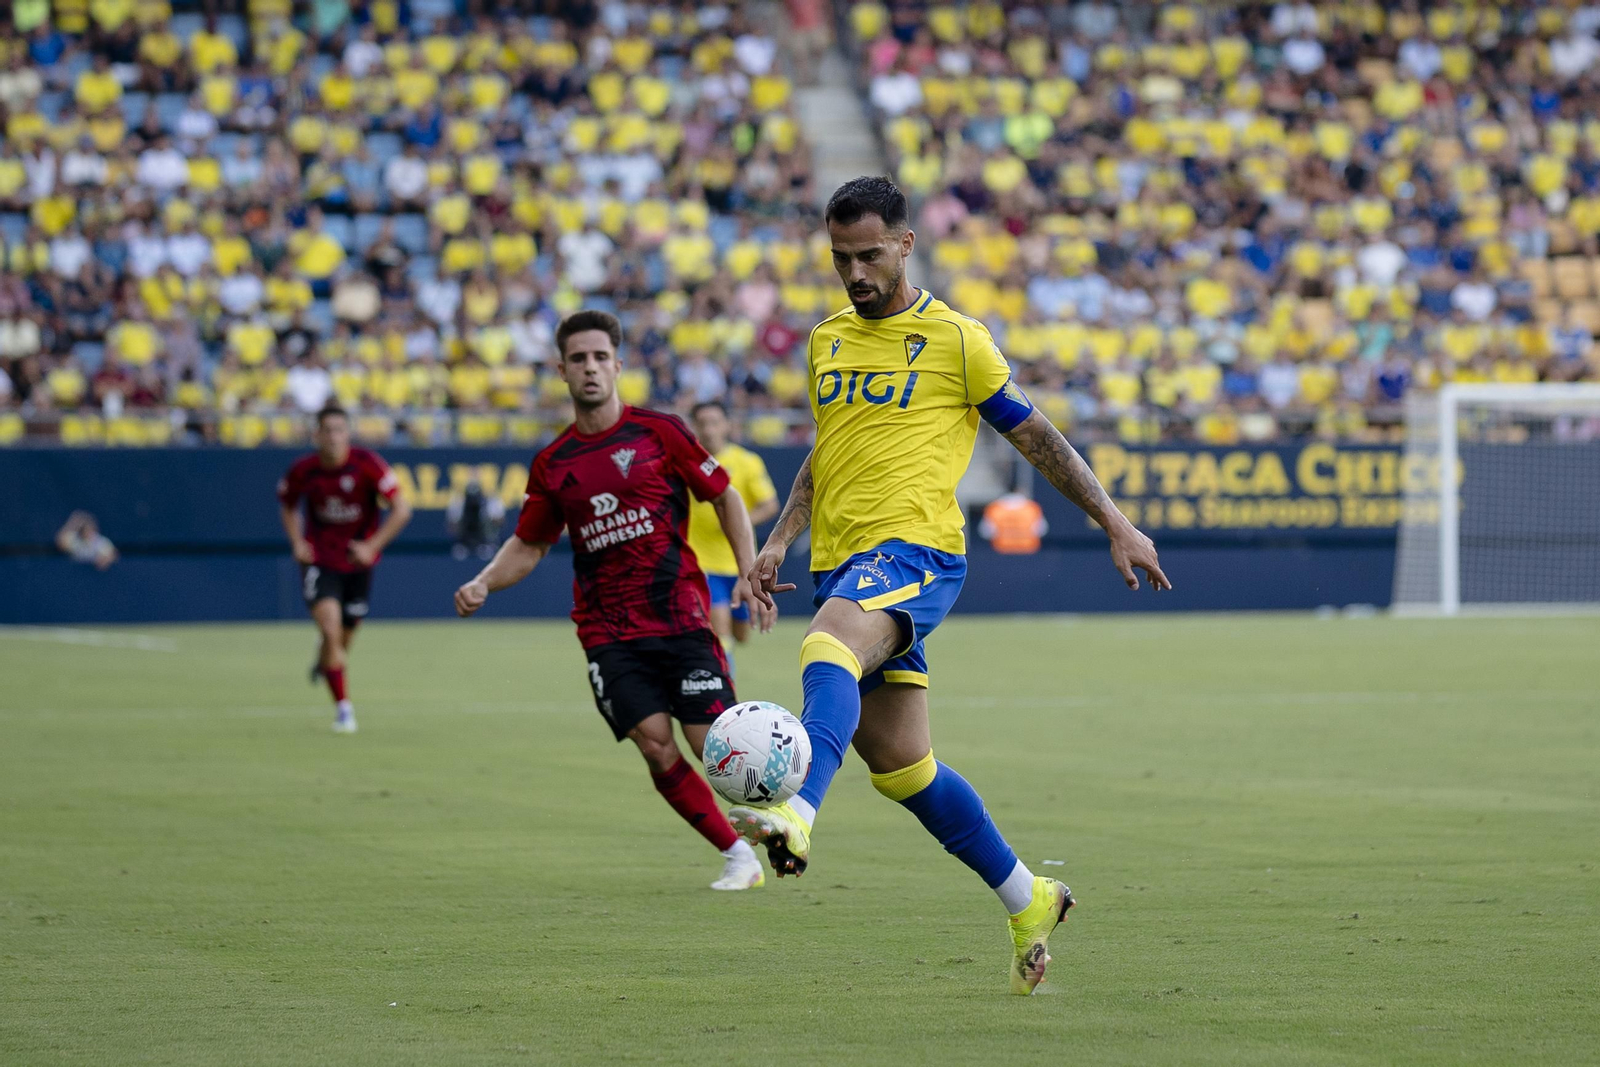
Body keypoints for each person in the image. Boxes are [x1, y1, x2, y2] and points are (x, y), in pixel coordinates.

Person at [739, 177, 1171, 995]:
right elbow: (827, 453)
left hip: (918, 552)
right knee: (902, 764)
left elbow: (1039, 438)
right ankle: (1029, 897)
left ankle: (797, 809)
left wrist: (1115, 520)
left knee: (827, 641)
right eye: (840, 258)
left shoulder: (958, 339)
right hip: (841, 556)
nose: (855, 273)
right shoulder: (827, 339)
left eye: (869, 255)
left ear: (906, 243)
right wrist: (781, 539)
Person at [452, 310, 774, 892]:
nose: (591, 367)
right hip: (608, 630)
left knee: (712, 745)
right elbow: (528, 544)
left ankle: (780, 821)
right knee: (654, 744)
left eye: (601, 357)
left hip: (679, 614)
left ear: (618, 365)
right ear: (562, 370)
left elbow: (725, 498)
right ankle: (738, 856)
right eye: (579, 359)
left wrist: (749, 569)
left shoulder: (660, 432)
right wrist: (484, 581)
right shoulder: (554, 464)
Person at [277, 404, 413, 734]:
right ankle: (344, 710)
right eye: (328, 431)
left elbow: (401, 509)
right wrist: (297, 541)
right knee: (330, 628)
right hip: (320, 561)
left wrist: (372, 546)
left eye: (340, 430)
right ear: (317, 435)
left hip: (357, 563)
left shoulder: (367, 465)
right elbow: (288, 504)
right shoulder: (303, 470)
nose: (335, 437)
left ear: (348, 434)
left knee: (343, 639)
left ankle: (325, 658)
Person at [686, 400, 780, 665]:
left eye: (714, 422)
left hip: (739, 565)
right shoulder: (687, 462)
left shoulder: (746, 462)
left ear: (727, 425)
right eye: (702, 423)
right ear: (693, 427)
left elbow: (769, 504)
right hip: (702, 563)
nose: (709, 429)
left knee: (741, 634)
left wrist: (737, 520)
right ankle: (726, 694)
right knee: (719, 631)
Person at [445, 473, 505, 560]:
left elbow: (500, 521)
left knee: (485, 517)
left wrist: (485, 516)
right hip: (465, 535)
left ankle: (487, 544)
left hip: (485, 535)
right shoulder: (458, 501)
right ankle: (463, 545)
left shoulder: (491, 500)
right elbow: (451, 525)